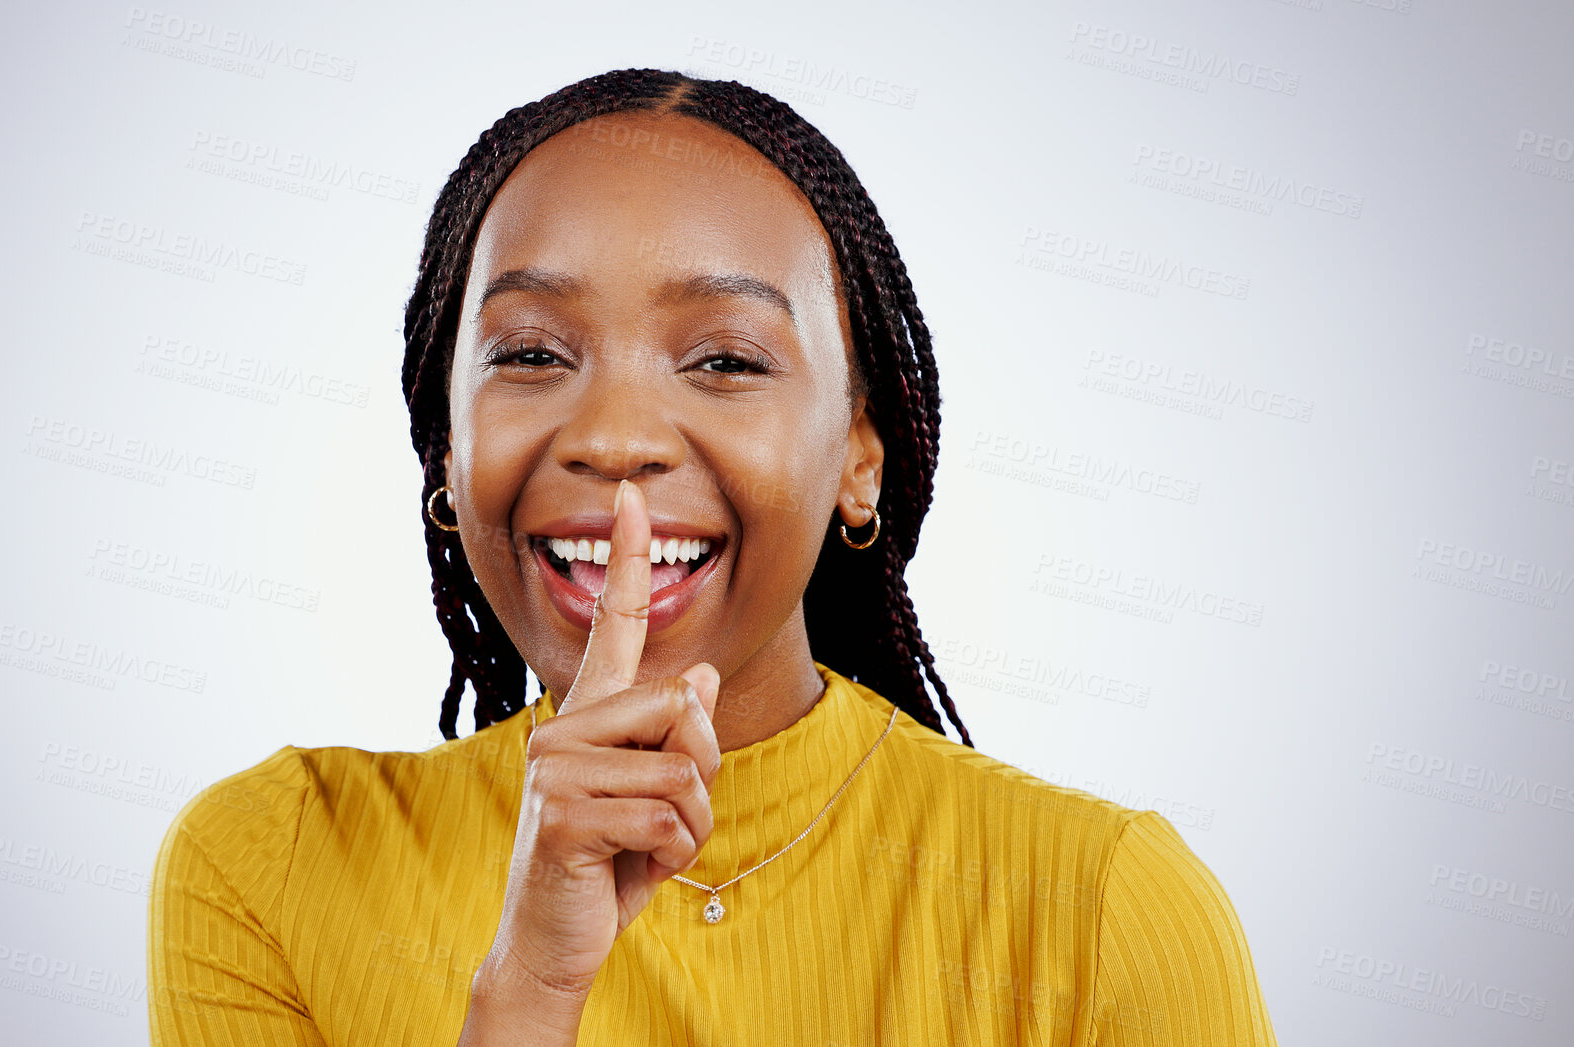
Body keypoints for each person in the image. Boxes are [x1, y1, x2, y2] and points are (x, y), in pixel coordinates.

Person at [147, 67, 1277, 1045]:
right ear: (445, 448)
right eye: (531, 351)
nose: (615, 438)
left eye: (727, 362)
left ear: (860, 456)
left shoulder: (1103, 908)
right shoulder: (274, 864)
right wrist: (532, 990)